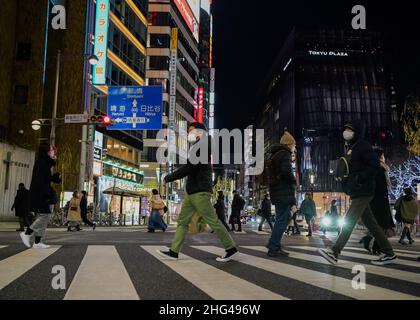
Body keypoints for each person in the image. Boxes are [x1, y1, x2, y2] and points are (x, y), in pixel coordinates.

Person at [318, 120, 397, 265]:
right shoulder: (352, 147)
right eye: (345, 129)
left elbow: (374, 164)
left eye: (350, 129)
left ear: (356, 132)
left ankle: (334, 252)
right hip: (359, 190)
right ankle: (389, 253)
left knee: (349, 220)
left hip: (364, 190)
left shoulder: (362, 145)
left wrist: (360, 179)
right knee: (372, 224)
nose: (346, 132)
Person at [158, 122, 238, 262]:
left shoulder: (203, 145)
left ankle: (231, 248)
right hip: (192, 191)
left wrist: (170, 177)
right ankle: (174, 252)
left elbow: (190, 167)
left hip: (200, 191)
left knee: (213, 221)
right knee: (182, 222)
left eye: (191, 130)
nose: (189, 133)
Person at [20, 143, 59, 249]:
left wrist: (53, 178)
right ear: (46, 151)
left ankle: (38, 242)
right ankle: (27, 233)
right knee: (45, 216)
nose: (53, 151)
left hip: (41, 193)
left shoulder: (44, 162)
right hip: (40, 194)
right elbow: (40, 181)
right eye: (51, 150)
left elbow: (47, 172)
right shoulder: (41, 162)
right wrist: (45, 194)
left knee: (43, 217)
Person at [266, 130, 297, 257]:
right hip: (283, 191)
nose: (294, 147)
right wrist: (293, 180)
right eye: (294, 145)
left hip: (276, 191)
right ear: (289, 144)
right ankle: (273, 246)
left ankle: (275, 245)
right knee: (282, 219)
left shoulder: (275, 154)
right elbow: (287, 172)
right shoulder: (285, 154)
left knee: (281, 218)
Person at [359, 148, 395, 254]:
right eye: (382, 156)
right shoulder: (378, 168)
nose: (384, 158)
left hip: (377, 199)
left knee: (380, 224)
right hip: (379, 200)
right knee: (382, 224)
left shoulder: (375, 168)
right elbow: (379, 186)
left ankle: (372, 242)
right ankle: (376, 245)